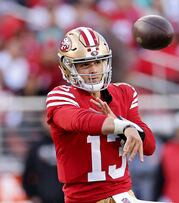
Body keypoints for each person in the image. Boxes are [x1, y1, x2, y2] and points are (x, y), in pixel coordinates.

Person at [45, 27, 156, 203]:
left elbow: (149, 146)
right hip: (85, 199)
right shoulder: (61, 96)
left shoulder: (124, 92)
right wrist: (122, 125)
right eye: (85, 64)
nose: (94, 70)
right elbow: (79, 120)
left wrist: (123, 126)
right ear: (68, 67)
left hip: (124, 195)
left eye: (98, 62)